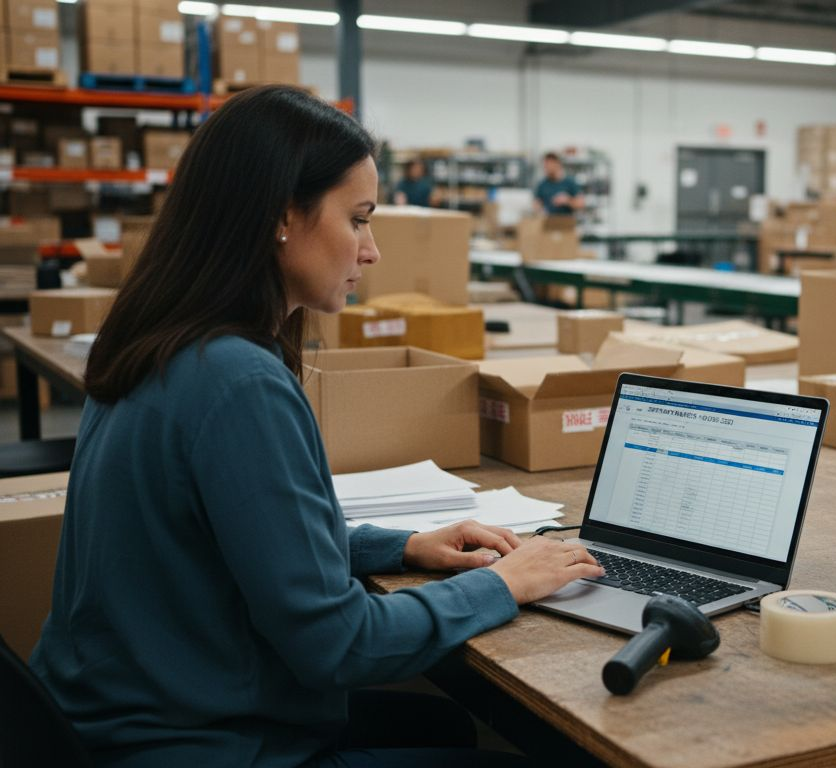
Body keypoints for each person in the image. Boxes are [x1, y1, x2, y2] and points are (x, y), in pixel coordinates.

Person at [28, 85, 604, 767]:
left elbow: (240, 538)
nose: (372, 251)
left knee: (442, 726)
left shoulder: (153, 341)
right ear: (281, 217)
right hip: (198, 742)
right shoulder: (238, 382)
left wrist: (405, 547)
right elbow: (340, 643)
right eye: (358, 219)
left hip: (119, 720)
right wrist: (504, 584)